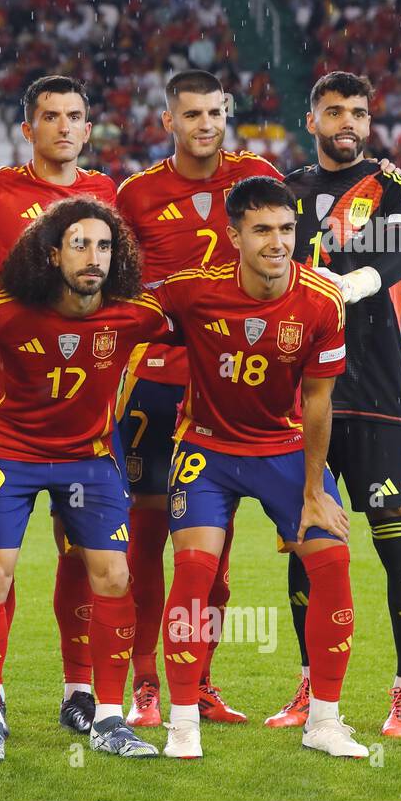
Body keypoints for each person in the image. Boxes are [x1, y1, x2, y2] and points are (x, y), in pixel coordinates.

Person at [0, 197, 174, 762]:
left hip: (88, 457)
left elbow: (203, 328)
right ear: (51, 254)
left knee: (114, 576)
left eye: (103, 246)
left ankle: (109, 719)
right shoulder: (4, 308)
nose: (93, 257)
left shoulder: (134, 311)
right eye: (79, 245)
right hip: (7, 452)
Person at [149, 177, 366, 760]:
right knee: (194, 574)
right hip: (206, 450)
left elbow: (319, 399)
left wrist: (316, 490)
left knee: (334, 560)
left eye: (287, 230)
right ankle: (183, 722)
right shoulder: (192, 291)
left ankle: (323, 720)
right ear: (234, 235)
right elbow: (122, 319)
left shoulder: (321, 300)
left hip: (282, 451)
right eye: (263, 230)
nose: (278, 242)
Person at [114, 70, 280, 727]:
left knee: (214, 552)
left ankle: (201, 680)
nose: (206, 124)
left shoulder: (257, 174)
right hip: (157, 383)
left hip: (231, 384)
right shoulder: (139, 194)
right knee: (148, 539)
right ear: (169, 122)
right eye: (192, 114)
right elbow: (123, 289)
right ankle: (146, 684)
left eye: (215, 112)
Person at [279, 71, 401, 736]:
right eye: (333, 110)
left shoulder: (394, 187)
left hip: (376, 392)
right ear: (312, 120)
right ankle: (312, 688)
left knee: (392, 532)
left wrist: (336, 285)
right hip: (303, 392)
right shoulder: (285, 191)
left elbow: (396, 256)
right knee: (307, 537)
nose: (347, 120)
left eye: (359, 112)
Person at [0, 75, 120, 734]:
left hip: (86, 413)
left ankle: (80, 691)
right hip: (11, 406)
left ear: (88, 128)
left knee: (82, 556)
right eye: (50, 116)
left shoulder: (109, 194)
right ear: (27, 129)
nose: (63, 126)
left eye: (75, 115)